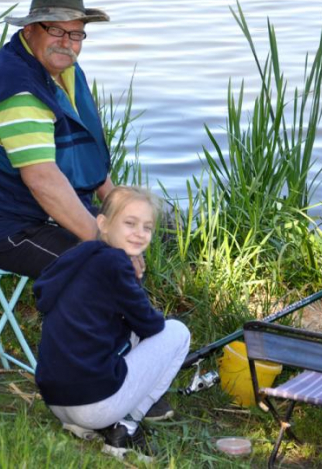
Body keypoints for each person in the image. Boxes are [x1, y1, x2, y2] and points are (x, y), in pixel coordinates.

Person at [0, 0, 145, 279]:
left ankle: (133, 319)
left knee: (137, 230)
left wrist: (120, 209)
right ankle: (121, 323)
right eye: (55, 30)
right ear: (30, 30)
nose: (66, 43)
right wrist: (102, 239)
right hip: (5, 227)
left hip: (42, 213)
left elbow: (83, 152)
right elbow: (42, 181)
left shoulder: (61, 71)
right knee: (107, 264)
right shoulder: (16, 88)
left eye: (75, 34)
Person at [33, 186, 191, 459]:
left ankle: (99, 419)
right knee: (178, 333)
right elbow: (151, 326)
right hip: (92, 406)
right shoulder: (117, 265)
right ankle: (125, 427)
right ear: (103, 224)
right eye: (130, 223)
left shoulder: (78, 256)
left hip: (56, 399)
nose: (140, 233)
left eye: (147, 227)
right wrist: (138, 288)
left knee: (123, 330)